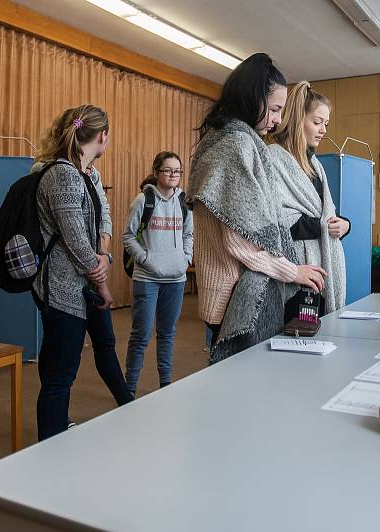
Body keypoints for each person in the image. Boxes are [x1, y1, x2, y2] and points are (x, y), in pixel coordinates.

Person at [187, 53, 326, 362]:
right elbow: (240, 240)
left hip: (235, 288)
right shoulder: (235, 145)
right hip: (235, 294)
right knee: (240, 391)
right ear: (252, 99)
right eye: (274, 109)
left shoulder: (229, 140)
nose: (277, 120)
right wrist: (294, 271)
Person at [32, 104, 133, 440]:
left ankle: (128, 405)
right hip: (63, 289)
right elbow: (76, 242)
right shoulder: (61, 175)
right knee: (59, 374)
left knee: (103, 343)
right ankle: (48, 443)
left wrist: (103, 252)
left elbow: (102, 217)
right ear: (102, 135)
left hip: (85, 283)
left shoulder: (88, 173)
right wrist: (101, 279)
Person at [267, 81, 348, 318]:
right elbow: (280, 220)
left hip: (321, 263)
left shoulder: (315, 164)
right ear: (296, 120)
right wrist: (326, 225)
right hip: (294, 268)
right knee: (295, 339)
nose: (323, 130)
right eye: (317, 122)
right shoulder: (274, 158)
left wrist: (344, 225)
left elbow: (324, 214)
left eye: (326, 124)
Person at [122, 151, 193, 396]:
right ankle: (128, 389)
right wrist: (145, 259)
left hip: (176, 279)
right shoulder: (143, 201)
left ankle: (165, 386)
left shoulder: (184, 201)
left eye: (177, 171)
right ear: (156, 172)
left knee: (167, 334)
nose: (173, 175)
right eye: (168, 170)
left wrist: (185, 259)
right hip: (147, 279)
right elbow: (128, 237)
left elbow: (188, 235)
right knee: (140, 336)